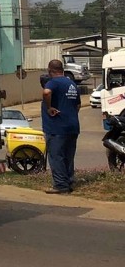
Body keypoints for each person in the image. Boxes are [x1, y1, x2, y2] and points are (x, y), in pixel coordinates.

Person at [41, 59, 81, 194]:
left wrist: (49, 108)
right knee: (68, 156)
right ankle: (69, 182)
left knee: (56, 156)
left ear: (50, 70)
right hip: (72, 127)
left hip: (56, 128)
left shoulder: (53, 82)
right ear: (62, 70)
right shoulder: (72, 84)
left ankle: (60, 185)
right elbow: (78, 105)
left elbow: (46, 92)